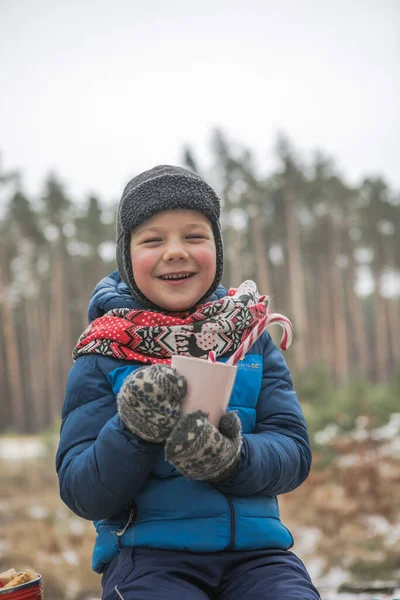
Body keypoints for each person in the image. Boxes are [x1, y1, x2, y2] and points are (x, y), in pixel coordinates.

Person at [56, 165, 320, 599]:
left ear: (216, 248)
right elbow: (82, 492)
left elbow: (294, 453)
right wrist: (133, 430)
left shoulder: (250, 339)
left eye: (194, 236)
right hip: (148, 563)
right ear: (126, 255)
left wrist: (234, 460)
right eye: (153, 239)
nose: (175, 251)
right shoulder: (101, 352)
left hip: (260, 560)